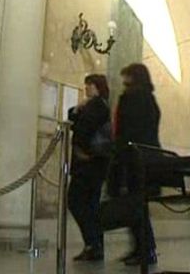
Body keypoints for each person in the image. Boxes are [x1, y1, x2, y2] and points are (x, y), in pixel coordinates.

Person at [114, 63, 161, 266]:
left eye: (126, 77)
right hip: (148, 157)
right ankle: (142, 248)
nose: (123, 81)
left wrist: (119, 158)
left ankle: (144, 250)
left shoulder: (131, 98)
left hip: (132, 159)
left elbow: (126, 130)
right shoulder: (150, 99)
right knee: (138, 206)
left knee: (135, 206)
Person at [68, 74, 111, 261]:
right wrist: (78, 109)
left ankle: (93, 243)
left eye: (89, 85)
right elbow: (73, 115)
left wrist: (80, 149)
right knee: (90, 205)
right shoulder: (96, 105)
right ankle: (94, 245)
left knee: (76, 201)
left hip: (89, 163)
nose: (86, 88)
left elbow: (82, 128)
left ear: (97, 86)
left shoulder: (97, 106)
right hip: (94, 163)